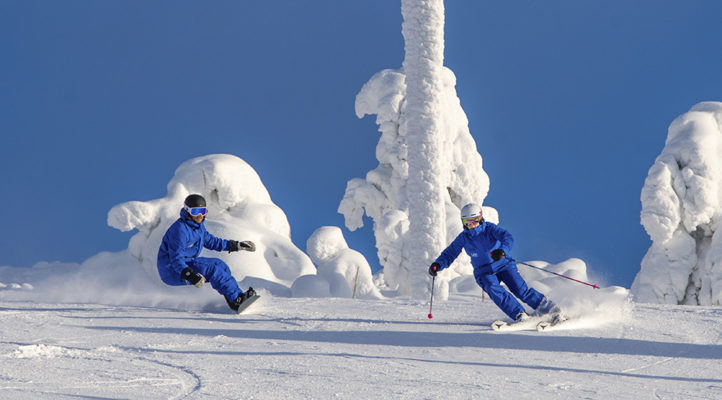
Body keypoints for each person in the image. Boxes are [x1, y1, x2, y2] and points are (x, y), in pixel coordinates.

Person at [428, 203, 560, 323]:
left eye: (473, 221)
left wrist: (502, 250)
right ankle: (520, 314)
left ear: (480, 218)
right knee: (493, 289)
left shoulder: (490, 229)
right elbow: (450, 252)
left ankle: (551, 310)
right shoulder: (464, 237)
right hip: (483, 272)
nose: (470, 224)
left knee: (520, 290)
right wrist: (438, 265)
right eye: (466, 221)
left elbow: (507, 237)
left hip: (503, 264)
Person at [157, 194, 257, 312]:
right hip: (172, 270)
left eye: (203, 211)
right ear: (188, 211)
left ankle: (235, 298)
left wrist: (237, 245)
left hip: (186, 262)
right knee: (213, 270)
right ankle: (236, 299)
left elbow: (212, 242)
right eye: (196, 211)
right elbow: (176, 258)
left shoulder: (198, 227)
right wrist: (190, 275)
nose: (200, 215)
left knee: (220, 265)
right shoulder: (180, 230)